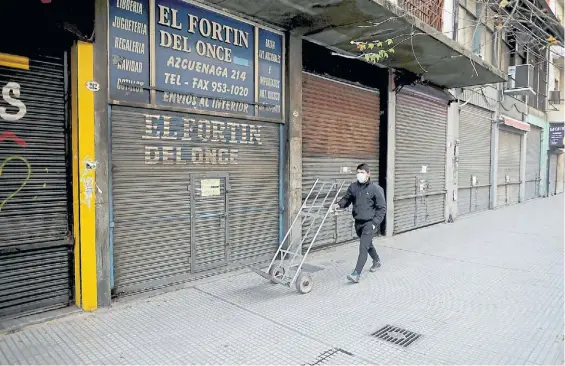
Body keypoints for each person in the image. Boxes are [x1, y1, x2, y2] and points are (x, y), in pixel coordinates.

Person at [333, 163, 386, 283]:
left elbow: (382, 208)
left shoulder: (376, 189)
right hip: (358, 222)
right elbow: (347, 199)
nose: (359, 175)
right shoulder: (353, 187)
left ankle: (356, 273)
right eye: (358, 172)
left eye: (362, 172)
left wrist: (374, 223)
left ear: (368, 174)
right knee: (367, 244)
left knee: (363, 247)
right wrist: (339, 204)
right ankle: (376, 261)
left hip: (369, 223)